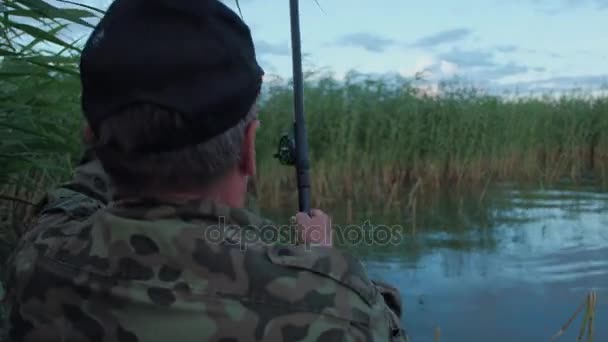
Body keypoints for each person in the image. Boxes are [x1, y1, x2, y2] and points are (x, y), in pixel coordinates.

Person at [2, 0, 408, 341]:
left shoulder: (37, 259)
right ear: (249, 150)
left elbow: (73, 197)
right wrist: (321, 258)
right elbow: (388, 327)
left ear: (92, 137)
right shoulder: (333, 307)